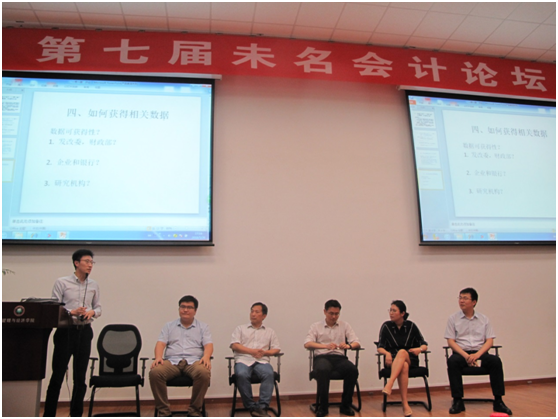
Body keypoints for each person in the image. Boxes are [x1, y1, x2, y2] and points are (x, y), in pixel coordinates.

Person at [44, 249, 102, 417]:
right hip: (65, 333)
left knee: (80, 377)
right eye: (87, 261)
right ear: (76, 263)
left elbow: (98, 307)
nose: (90, 265)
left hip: (84, 332)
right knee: (58, 375)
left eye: (92, 262)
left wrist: (92, 312)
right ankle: (49, 414)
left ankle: (76, 414)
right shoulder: (62, 282)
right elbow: (55, 308)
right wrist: (71, 312)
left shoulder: (93, 285)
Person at [444, 288, 512, 415]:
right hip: (461, 353)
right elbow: (451, 342)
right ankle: (458, 401)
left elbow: (489, 341)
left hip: (480, 353)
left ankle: (498, 401)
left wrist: (476, 355)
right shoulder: (453, 319)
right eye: (460, 298)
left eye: (465, 298)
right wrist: (467, 356)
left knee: (495, 361)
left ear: (474, 302)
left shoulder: (484, 319)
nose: (461, 301)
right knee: (452, 362)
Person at [149, 295, 213, 417]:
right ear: (179, 309)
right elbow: (160, 343)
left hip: (194, 362)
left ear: (195, 311)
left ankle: (194, 410)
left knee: (204, 372)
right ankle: (164, 411)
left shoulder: (203, 327)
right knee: (155, 372)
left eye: (189, 307)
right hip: (172, 361)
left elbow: (208, 345)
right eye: (183, 307)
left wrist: (206, 357)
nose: (185, 310)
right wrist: (158, 357)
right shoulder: (169, 326)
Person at [304, 299, 361, 417]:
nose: (334, 316)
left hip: (339, 358)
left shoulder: (345, 325)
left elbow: (357, 342)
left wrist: (348, 346)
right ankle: (323, 407)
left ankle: (345, 406)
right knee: (323, 370)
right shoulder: (316, 326)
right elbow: (307, 343)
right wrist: (325, 346)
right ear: (324, 312)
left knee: (352, 370)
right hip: (322, 357)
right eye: (331, 313)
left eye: (337, 314)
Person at [377, 300, 428, 417]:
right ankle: (405, 404)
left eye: (394, 310)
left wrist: (419, 349)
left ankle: (390, 383)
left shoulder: (411, 326)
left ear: (402, 313)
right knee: (403, 365)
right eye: (390, 310)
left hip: (411, 359)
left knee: (402, 352)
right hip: (392, 360)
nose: (391, 313)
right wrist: (387, 354)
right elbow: (380, 347)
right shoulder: (386, 326)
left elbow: (424, 344)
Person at [230, 302, 281, 417]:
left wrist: (265, 352)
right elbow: (234, 345)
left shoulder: (270, 331)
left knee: (269, 373)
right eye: (252, 311)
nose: (253, 314)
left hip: (262, 361)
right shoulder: (240, 329)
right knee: (241, 374)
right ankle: (251, 407)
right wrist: (251, 351)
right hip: (243, 360)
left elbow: (276, 349)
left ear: (264, 316)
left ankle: (262, 407)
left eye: (257, 312)